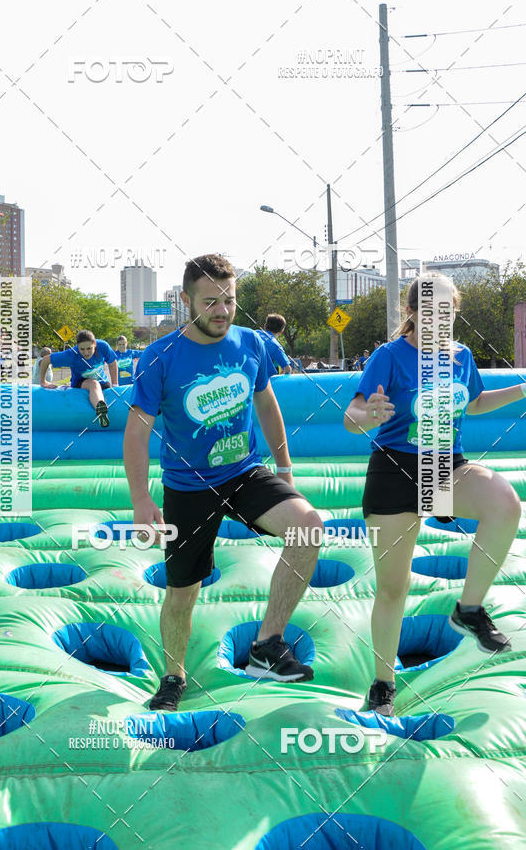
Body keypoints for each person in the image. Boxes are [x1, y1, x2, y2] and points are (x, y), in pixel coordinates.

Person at [124, 254, 323, 712]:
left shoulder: (251, 343)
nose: (222, 311)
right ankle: (173, 676)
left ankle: (266, 646)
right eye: (210, 301)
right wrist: (140, 498)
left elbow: (266, 403)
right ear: (185, 300)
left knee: (309, 527)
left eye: (229, 300)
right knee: (182, 592)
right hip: (188, 486)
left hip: (244, 472)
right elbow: (137, 432)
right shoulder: (160, 357)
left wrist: (284, 467)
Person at [343, 274, 522, 716]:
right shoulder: (389, 356)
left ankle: (469, 609)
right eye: (430, 311)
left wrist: (522, 390)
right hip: (395, 470)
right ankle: (383, 684)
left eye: (448, 311)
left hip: (445, 467)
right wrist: (369, 414)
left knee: (505, 503)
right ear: (411, 313)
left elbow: (474, 402)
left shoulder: (462, 356)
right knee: (393, 589)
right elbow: (352, 415)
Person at [39, 330, 118, 427]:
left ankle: (102, 407)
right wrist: (43, 382)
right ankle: (101, 410)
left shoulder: (103, 346)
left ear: (95, 344)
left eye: (89, 348)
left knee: (97, 384)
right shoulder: (71, 355)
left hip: (102, 381)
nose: (86, 352)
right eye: (82, 349)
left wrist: (115, 385)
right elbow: (45, 360)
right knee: (94, 384)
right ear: (77, 346)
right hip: (80, 383)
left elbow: (112, 363)